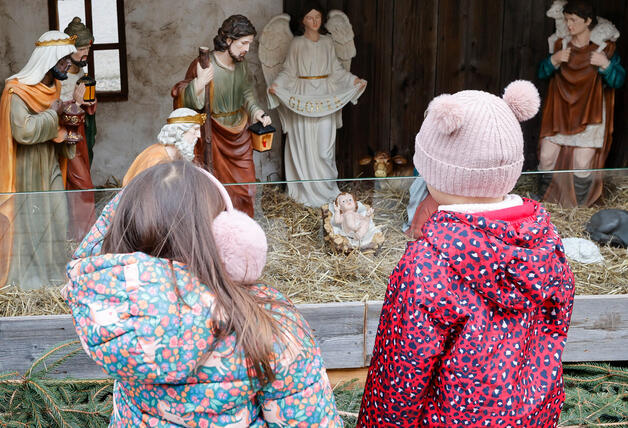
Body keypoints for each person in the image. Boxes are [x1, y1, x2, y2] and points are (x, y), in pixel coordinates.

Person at [358, 81, 576, 427]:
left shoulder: (427, 263)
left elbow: (400, 375)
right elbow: (556, 325)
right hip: (532, 413)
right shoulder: (545, 241)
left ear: (436, 169)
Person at [64, 161, 343, 427]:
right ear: (224, 236)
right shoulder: (269, 325)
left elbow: (88, 259)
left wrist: (137, 198)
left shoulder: (114, 313)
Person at [0, 30, 78, 289]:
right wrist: (53, 114)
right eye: (63, 60)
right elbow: (23, 131)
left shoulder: (55, 86)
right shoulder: (16, 90)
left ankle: (54, 274)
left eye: (67, 60)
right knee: (36, 221)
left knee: (59, 216)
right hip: (27, 166)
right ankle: (34, 281)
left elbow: (51, 124)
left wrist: (64, 135)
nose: (67, 65)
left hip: (49, 159)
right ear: (48, 60)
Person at [171, 15, 271, 217]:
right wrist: (199, 84)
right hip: (213, 135)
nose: (247, 49)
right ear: (227, 40)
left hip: (239, 133)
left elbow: (246, 94)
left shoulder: (241, 66)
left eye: (249, 44)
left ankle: (241, 229)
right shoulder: (204, 64)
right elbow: (184, 101)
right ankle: (218, 230)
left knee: (246, 187)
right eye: (243, 43)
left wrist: (257, 112)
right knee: (214, 188)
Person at [268, 2, 366, 207]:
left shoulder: (327, 42)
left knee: (324, 149)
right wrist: (277, 85)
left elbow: (337, 71)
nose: (314, 21)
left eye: (318, 17)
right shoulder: (296, 44)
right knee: (302, 144)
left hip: (325, 98)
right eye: (310, 18)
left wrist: (352, 81)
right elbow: (288, 71)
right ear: (303, 20)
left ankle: (327, 191)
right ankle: (303, 193)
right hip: (301, 97)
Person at [538, 0, 625, 207]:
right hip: (560, 112)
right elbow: (542, 73)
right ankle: (545, 202)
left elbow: (618, 80)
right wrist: (554, 60)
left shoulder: (604, 50)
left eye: (574, 20)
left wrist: (606, 65)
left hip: (590, 113)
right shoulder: (560, 45)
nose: (569, 25)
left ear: (587, 22)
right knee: (546, 156)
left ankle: (579, 208)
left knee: (582, 164)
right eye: (567, 19)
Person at [61, 17, 97, 240]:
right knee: (83, 185)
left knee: (79, 183)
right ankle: (84, 235)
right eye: (82, 49)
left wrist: (90, 104)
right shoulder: (58, 75)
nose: (86, 54)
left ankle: (79, 234)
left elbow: (86, 108)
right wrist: (74, 101)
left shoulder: (81, 75)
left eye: (88, 49)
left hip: (81, 134)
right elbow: (51, 108)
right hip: (66, 137)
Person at [122, 108, 203, 186]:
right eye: (195, 129)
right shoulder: (155, 159)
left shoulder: (175, 156)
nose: (199, 135)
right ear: (179, 132)